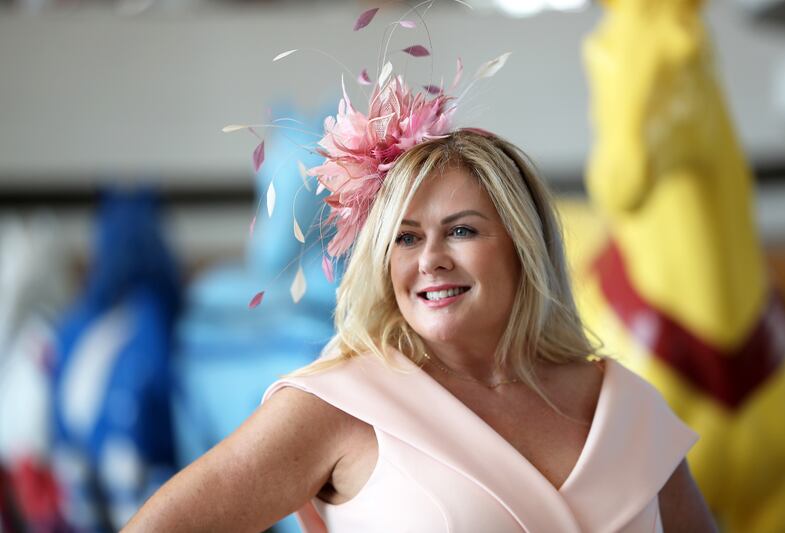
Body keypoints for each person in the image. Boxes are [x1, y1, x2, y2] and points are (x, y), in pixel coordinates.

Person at [123, 128, 717, 532]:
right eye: (406, 238)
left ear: (522, 246)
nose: (428, 259)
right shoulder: (338, 406)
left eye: (461, 231)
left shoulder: (630, 411)